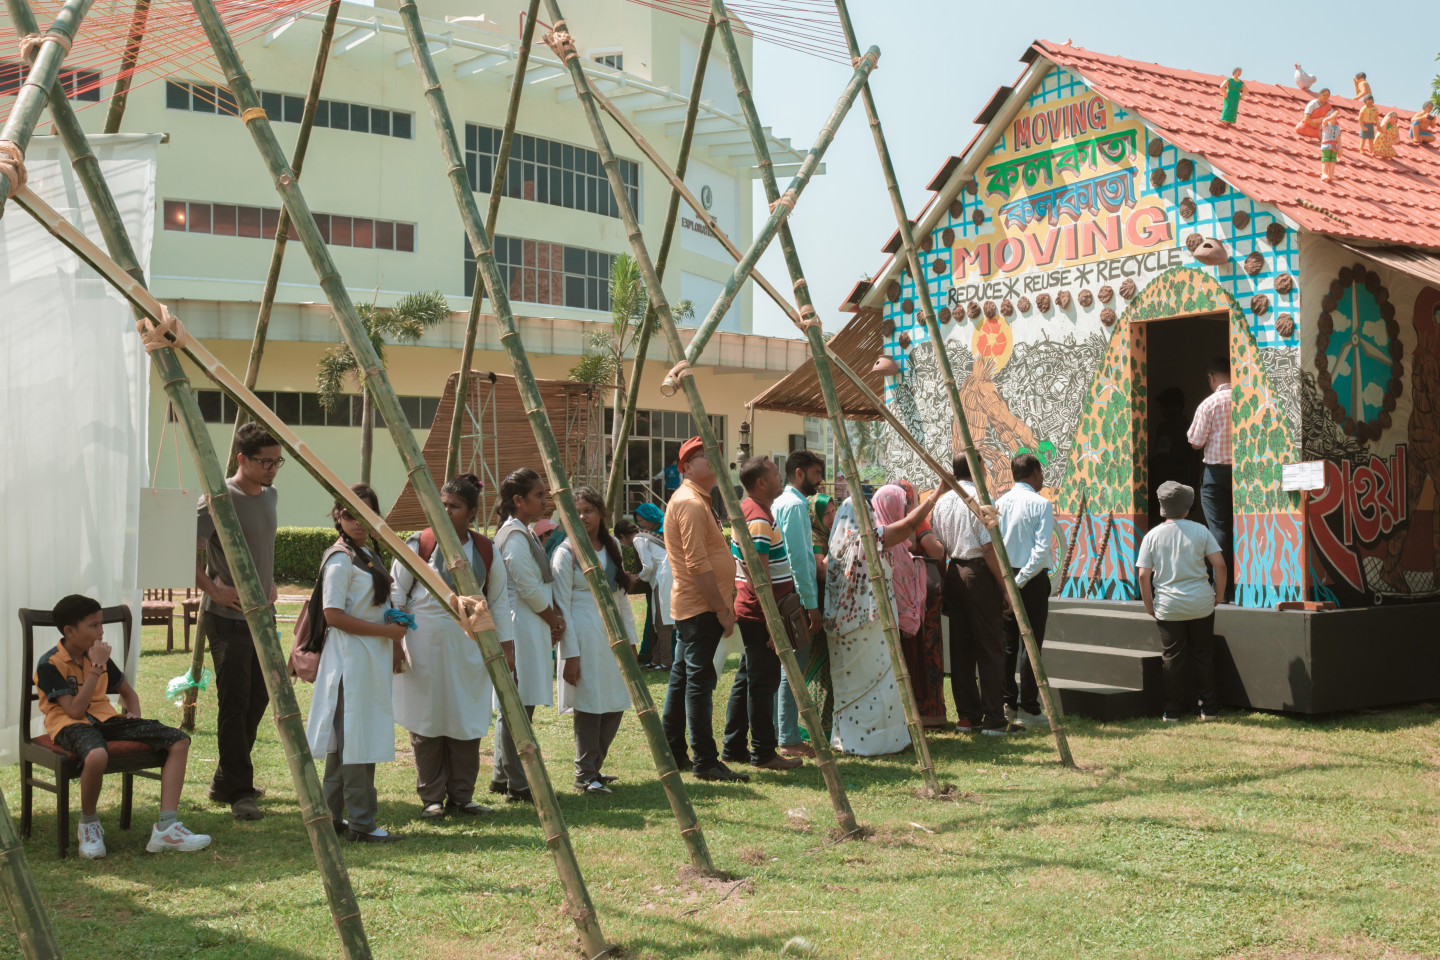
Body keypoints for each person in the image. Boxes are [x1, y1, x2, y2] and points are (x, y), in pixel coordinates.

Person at [36, 595, 212, 859]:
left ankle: (166, 828)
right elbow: (74, 711)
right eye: (93, 625)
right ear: (70, 631)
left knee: (178, 741)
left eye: (101, 624)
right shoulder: (50, 664)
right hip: (69, 724)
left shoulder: (98, 656)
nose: (101, 631)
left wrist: (134, 716)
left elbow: (129, 694)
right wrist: (96, 667)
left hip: (107, 720)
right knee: (97, 754)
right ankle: (88, 824)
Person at [390, 473, 511, 820]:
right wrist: (396, 641)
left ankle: (462, 796)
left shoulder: (486, 549)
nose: (445, 512)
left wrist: (507, 647)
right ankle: (431, 797)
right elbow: (396, 594)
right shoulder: (419, 543)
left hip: (470, 648)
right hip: (423, 644)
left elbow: (498, 601)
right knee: (427, 719)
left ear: (471, 512)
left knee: (465, 718)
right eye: (441, 505)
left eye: (454, 507)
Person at [307, 483, 405, 843]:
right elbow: (332, 615)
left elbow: (371, 607)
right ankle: (362, 823)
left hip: (368, 660)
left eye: (367, 513)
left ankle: (331, 818)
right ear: (338, 515)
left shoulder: (366, 553)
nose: (359, 520)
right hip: (350, 662)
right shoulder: (340, 559)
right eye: (351, 513)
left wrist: (392, 631)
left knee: (347, 742)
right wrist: (385, 632)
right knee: (354, 743)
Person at [195, 421, 280, 822]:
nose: (273, 469)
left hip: (264, 616)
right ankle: (240, 792)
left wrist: (270, 581)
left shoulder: (271, 494)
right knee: (235, 702)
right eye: (266, 462)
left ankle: (225, 779)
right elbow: (181, 550)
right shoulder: (217, 499)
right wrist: (213, 590)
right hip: (227, 619)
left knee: (260, 697)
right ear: (242, 459)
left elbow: (261, 546)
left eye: (278, 462)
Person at [825, 484, 942, 756]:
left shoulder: (839, 545)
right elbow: (907, 526)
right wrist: (936, 493)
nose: (873, 519)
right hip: (866, 629)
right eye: (868, 515)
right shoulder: (864, 541)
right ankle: (874, 741)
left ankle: (853, 738)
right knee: (874, 684)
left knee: (858, 686)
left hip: (848, 630)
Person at [662, 436, 748, 782]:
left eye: (715, 454)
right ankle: (705, 761)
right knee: (698, 683)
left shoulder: (696, 500)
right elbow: (697, 564)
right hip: (701, 608)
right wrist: (721, 609)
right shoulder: (691, 503)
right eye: (704, 456)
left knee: (684, 678)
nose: (713, 459)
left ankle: (673, 751)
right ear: (686, 467)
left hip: (696, 607)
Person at [552, 486, 640, 795]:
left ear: (601, 513)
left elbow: (622, 598)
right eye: (575, 512)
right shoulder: (565, 553)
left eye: (588, 510)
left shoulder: (613, 544)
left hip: (612, 635)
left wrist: (631, 641)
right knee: (589, 703)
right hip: (583, 635)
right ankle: (585, 773)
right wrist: (570, 654)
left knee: (616, 700)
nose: (582, 517)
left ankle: (595, 766)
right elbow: (561, 606)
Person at [721, 456, 803, 772]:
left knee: (748, 678)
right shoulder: (756, 516)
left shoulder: (754, 510)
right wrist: (772, 622)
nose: (781, 477)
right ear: (761, 483)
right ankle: (764, 753)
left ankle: (733, 746)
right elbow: (760, 574)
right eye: (775, 473)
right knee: (762, 684)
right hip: (761, 612)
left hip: (757, 610)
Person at [491, 468, 566, 804]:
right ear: (519, 501)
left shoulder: (523, 532)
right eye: (538, 495)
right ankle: (518, 783)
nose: (544, 501)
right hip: (519, 626)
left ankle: (502, 775)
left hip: (527, 624)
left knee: (516, 705)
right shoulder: (515, 537)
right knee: (517, 708)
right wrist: (553, 619)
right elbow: (528, 588)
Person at [932, 456, 1017, 736]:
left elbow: (939, 548)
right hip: (977, 573)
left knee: (961, 648)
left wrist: (947, 581)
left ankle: (967, 717)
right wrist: (1005, 587)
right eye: (983, 464)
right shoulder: (979, 498)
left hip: (954, 572)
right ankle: (993, 718)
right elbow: (989, 549)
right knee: (990, 646)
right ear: (977, 467)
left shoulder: (942, 501)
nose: (986, 468)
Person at [1137, 481, 1227, 722]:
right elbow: (1219, 565)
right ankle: (1209, 709)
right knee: (1203, 654)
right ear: (1187, 507)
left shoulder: (1152, 535)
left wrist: (1148, 604)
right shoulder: (1201, 531)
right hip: (1201, 603)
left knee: (1172, 658)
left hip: (1168, 606)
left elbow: (1144, 575)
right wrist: (1218, 595)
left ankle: (1171, 711)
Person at [770, 450, 826, 758]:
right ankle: (789, 736)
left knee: (784, 667)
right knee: (792, 669)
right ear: (800, 473)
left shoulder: (783, 503)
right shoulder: (793, 505)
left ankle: (780, 732)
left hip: (785, 596)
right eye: (816, 473)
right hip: (795, 599)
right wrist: (809, 604)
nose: (820, 480)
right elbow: (798, 560)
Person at [997, 454, 1055, 728]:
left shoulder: (999, 503)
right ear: (1035, 473)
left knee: (1009, 644)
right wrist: (1019, 582)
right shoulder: (1041, 504)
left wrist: (1008, 583)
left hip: (1006, 576)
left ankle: (1009, 702)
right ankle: (1028, 706)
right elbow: (1041, 551)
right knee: (1030, 644)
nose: (1042, 478)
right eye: (1040, 473)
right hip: (1029, 579)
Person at [892, 479, 949, 729]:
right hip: (920, 602)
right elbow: (936, 551)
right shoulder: (914, 522)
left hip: (895, 601)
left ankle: (902, 714)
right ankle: (930, 712)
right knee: (928, 653)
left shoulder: (883, 522)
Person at [1187, 356, 1234, 601]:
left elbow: (1195, 442)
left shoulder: (1209, 404)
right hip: (1245, 473)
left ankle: (1223, 589)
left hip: (1215, 474)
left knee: (1218, 530)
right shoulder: (1247, 398)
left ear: (1211, 377)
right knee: (1244, 525)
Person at [804, 493, 838, 740]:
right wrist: (838, 543)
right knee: (819, 666)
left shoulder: (827, 534)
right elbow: (822, 570)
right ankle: (815, 726)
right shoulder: (815, 536)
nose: (831, 517)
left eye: (834, 512)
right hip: (818, 605)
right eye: (826, 514)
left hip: (831, 605)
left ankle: (829, 722)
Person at [633, 502, 674, 672]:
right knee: (659, 621)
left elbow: (648, 566)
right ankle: (656, 660)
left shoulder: (639, 538)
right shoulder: (655, 533)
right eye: (639, 522)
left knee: (662, 622)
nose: (641, 524)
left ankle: (666, 662)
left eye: (643, 520)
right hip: (665, 577)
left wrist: (637, 577)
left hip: (664, 577)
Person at [1319, 109, 1342, 182]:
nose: (1335, 119)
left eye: (1336, 117)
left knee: (1333, 160)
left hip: (1334, 146)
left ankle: (1331, 174)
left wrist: (1340, 148)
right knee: (1326, 159)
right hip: (1326, 145)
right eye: (1333, 117)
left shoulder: (1337, 128)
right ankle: (1324, 174)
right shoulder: (1326, 125)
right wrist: (1333, 115)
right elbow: (1325, 120)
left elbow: (1338, 139)